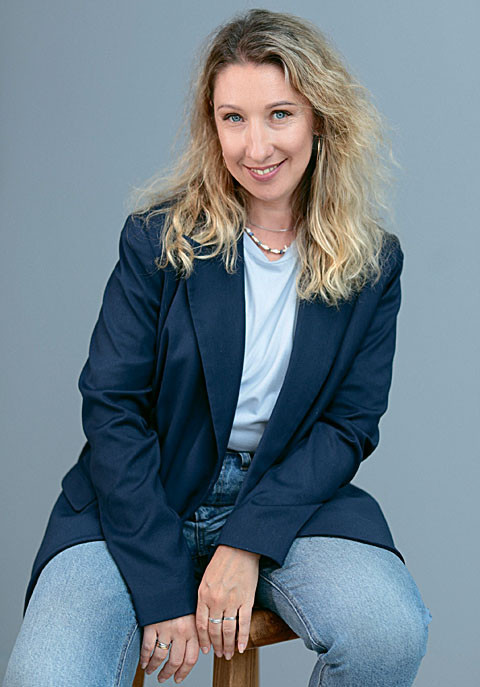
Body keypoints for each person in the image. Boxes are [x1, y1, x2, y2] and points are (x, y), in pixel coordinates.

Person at [3, 8, 432, 687]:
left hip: (289, 500)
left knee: (388, 633)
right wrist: (160, 582)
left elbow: (349, 425)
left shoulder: (373, 263)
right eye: (233, 118)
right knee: (46, 677)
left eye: (279, 114)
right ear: (212, 126)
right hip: (142, 495)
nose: (256, 146)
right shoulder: (156, 239)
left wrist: (246, 539)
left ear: (320, 118)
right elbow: (112, 408)